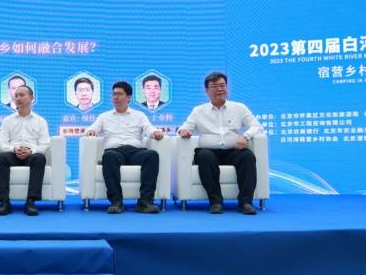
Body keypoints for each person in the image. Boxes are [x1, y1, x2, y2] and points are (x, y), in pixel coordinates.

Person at [177, 71, 264, 215]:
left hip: (233, 150)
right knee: (205, 156)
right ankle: (216, 202)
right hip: (208, 151)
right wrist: (183, 131)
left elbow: (257, 126)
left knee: (247, 156)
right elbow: (184, 127)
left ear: (227, 88)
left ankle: (245, 202)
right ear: (206, 91)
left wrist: (246, 136)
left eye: (222, 85)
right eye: (215, 86)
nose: (220, 89)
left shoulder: (239, 108)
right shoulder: (198, 111)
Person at [85, 81, 164, 214]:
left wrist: (155, 132)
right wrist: (91, 131)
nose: (115, 97)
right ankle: (116, 202)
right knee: (108, 156)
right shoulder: (104, 117)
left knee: (152, 155)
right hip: (114, 151)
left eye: (119, 94)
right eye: (114, 94)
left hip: (135, 151)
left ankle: (145, 202)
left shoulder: (139, 115)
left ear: (128, 97)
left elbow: (149, 128)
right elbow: (91, 129)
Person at [0, 85, 50, 216]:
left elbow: (44, 144)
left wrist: (31, 151)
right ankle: (4, 202)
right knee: (0, 158)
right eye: (16, 95)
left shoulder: (40, 121)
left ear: (31, 98)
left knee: (40, 158)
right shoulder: (7, 120)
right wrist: (14, 149)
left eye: (22, 95)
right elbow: (2, 143)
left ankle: (31, 202)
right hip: (13, 154)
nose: (18, 98)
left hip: (31, 155)